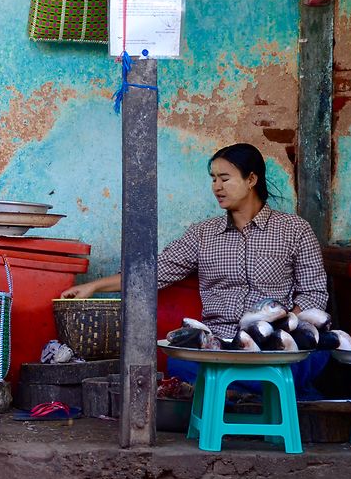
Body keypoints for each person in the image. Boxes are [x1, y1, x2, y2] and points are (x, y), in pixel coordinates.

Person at [61, 143, 329, 394]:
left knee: (315, 358)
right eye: (213, 179)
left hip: (277, 346)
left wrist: (283, 325)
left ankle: (231, 392)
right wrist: (94, 286)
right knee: (178, 363)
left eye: (225, 178)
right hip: (218, 346)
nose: (217, 187)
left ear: (251, 180)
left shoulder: (295, 230)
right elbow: (156, 272)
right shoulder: (203, 234)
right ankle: (255, 393)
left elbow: (314, 293)